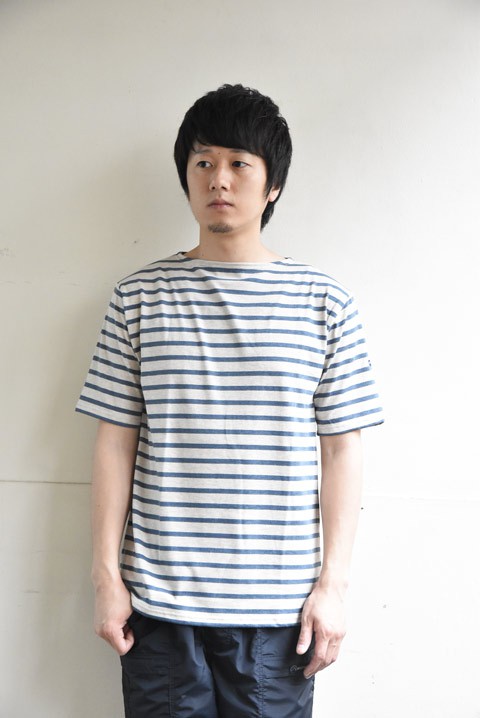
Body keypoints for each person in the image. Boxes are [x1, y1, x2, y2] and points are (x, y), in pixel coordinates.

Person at [76, 84, 384, 718]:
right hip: (158, 605)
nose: (219, 178)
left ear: (273, 185)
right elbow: (114, 441)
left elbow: (342, 450)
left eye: (240, 163)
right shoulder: (138, 297)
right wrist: (106, 578)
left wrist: (333, 586)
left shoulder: (324, 302)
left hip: (279, 613)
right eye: (204, 162)